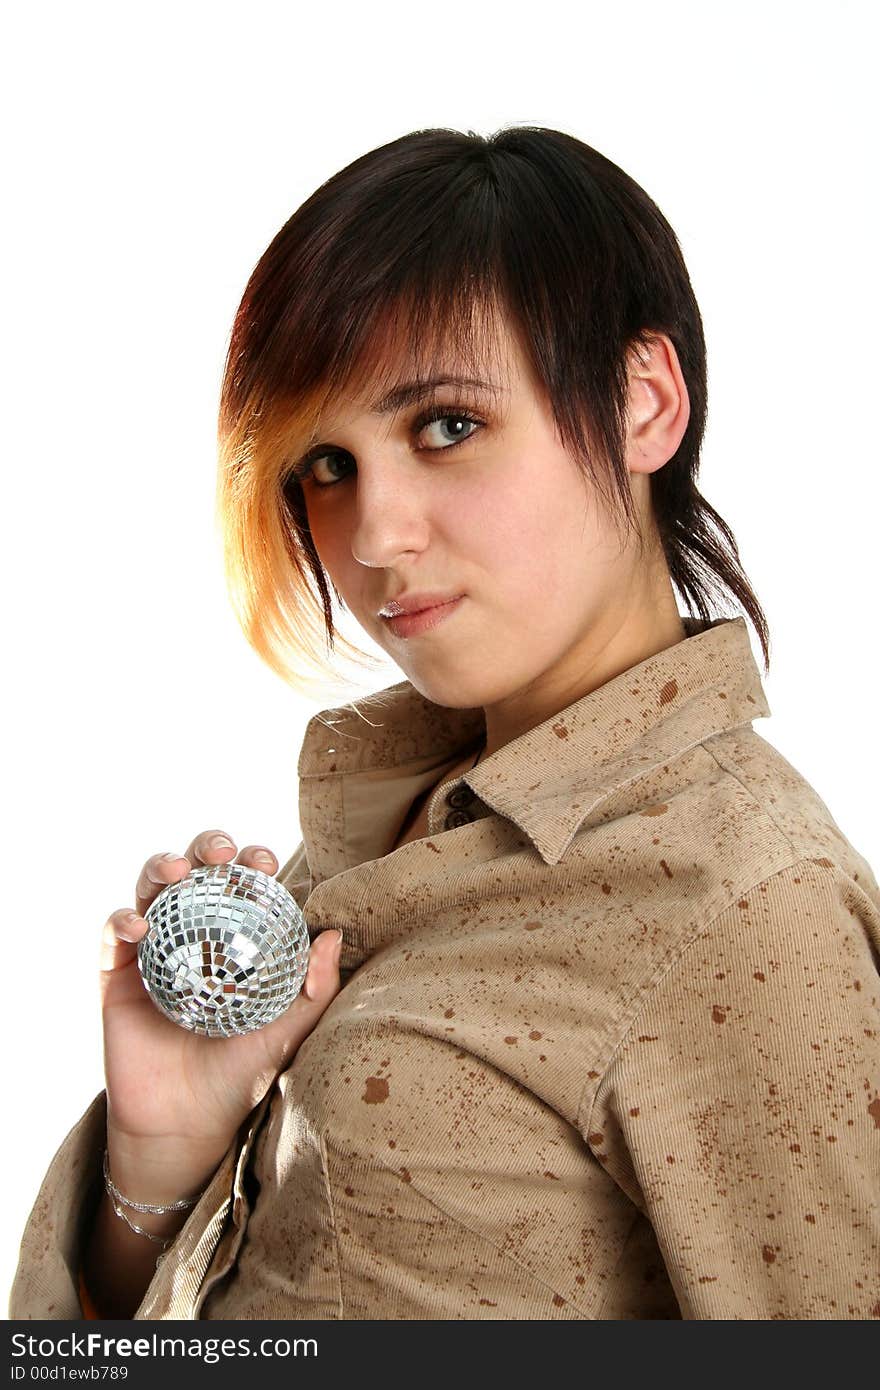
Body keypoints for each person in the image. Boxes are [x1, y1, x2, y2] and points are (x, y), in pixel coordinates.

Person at [11, 126, 879, 1321]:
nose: (372, 537)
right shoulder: (384, 835)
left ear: (642, 404)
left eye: (446, 426)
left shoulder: (740, 905)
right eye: (326, 462)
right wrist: (158, 1165)